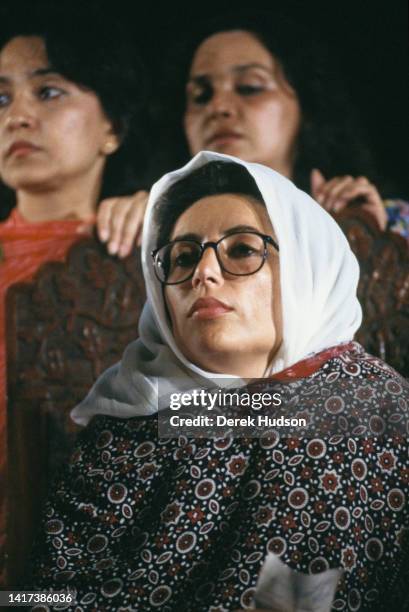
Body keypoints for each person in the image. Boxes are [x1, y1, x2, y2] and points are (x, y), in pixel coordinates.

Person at [29, 152, 409, 610]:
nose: (203, 274)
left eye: (243, 250)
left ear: (308, 271)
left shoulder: (378, 409)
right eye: (183, 257)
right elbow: (40, 594)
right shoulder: (125, 426)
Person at [0, 15, 147, 585]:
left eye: (49, 90)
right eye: (2, 96)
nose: (18, 114)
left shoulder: (157, 251)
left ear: (112, 124)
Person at [108, 12, 408, 248]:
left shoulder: (385, 220)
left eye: (249, 87)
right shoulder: (154, 228)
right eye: (201, 95)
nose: (219, 107)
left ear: (306, 107)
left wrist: (369, 241)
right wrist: (131, 230)